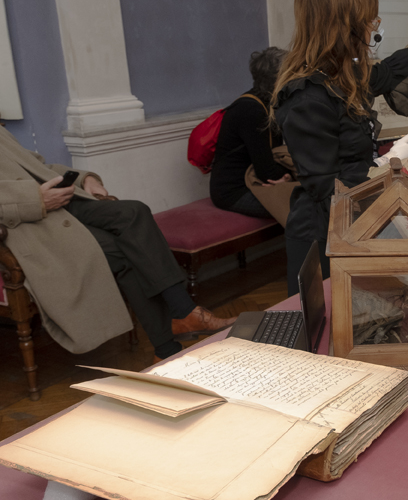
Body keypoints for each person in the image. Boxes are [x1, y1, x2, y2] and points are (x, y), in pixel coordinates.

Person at [273, 0, 408, 294]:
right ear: (343, 26)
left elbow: (386, 73)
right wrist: (389, 163)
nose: (372, 28)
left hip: (359, 218)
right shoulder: (306, 97)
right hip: (323, 232)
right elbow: (325, 186)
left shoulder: (340, 75)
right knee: (327, 329)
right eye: (369, 21)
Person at [0, 126, 233, 359]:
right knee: (125, 251)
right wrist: (35, 201)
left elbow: (36, 168)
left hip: (59, 204)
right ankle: (170, 344)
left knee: (134, 212)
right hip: (26, 223)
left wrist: (84, 178)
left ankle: (184, 313)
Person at [209, 47, 294, 220]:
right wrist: (289, 175)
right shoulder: (251, 110)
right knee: (307, 207)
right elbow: (267, 173)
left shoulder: (266, 103)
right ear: (278, 79)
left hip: (255, 182)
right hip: (234, 192)